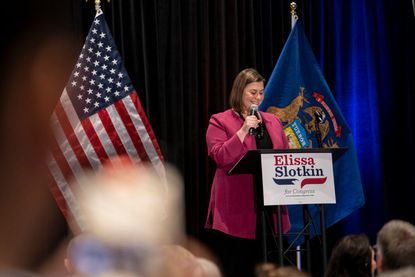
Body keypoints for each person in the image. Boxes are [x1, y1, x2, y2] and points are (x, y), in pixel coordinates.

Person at [204, 68, 291, 277]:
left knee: (272, 267)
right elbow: (219, 156)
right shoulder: (220, 121)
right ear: (239, 91)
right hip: (236, 210)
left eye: (261, 92)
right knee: (240, 267)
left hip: (271, 207)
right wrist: (243, 131)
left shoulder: (273, 121)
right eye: (253, 92)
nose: (258, 98)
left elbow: (285, 155)